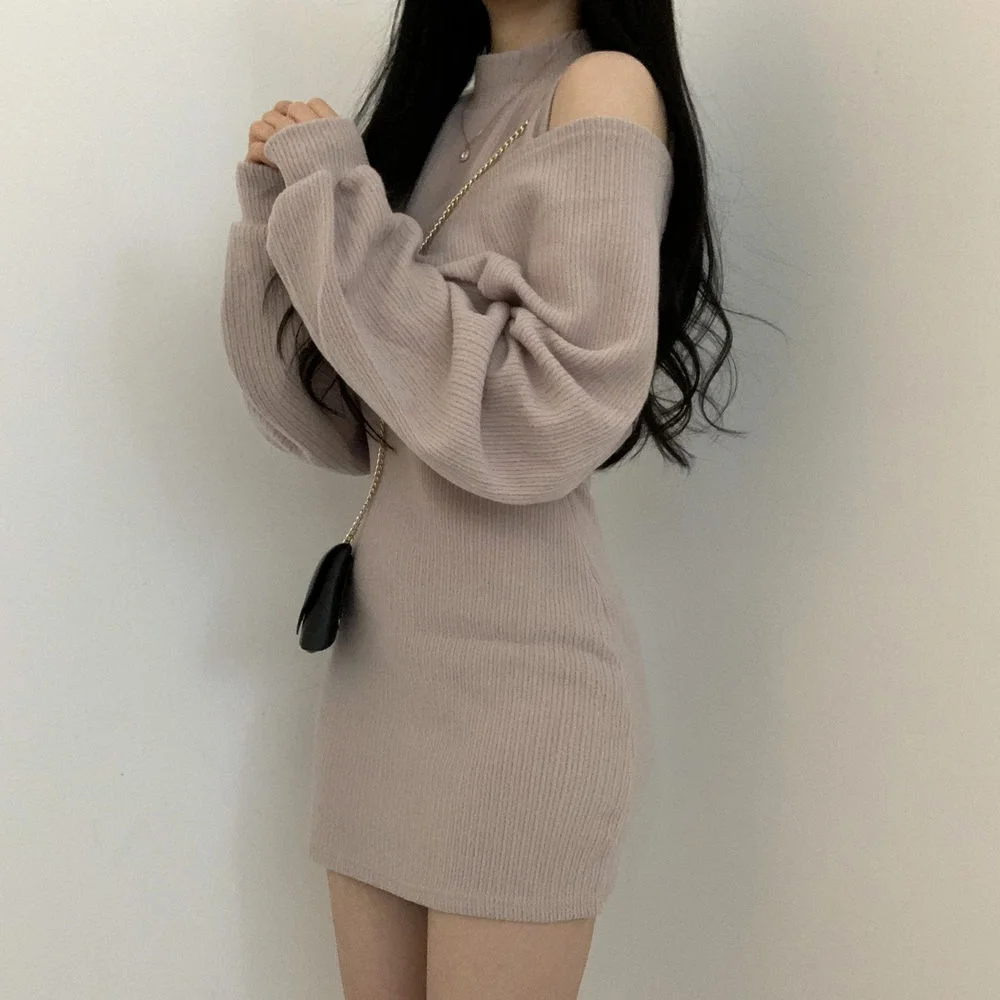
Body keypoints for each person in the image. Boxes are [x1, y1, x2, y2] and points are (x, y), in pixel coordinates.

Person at [221, 0, 738, 996]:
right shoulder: (441, 118)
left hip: (518, 702)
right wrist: (279, 214)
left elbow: (551, 411)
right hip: (381, 685)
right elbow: (328, 421)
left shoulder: (602, 87)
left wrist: (339, 207)